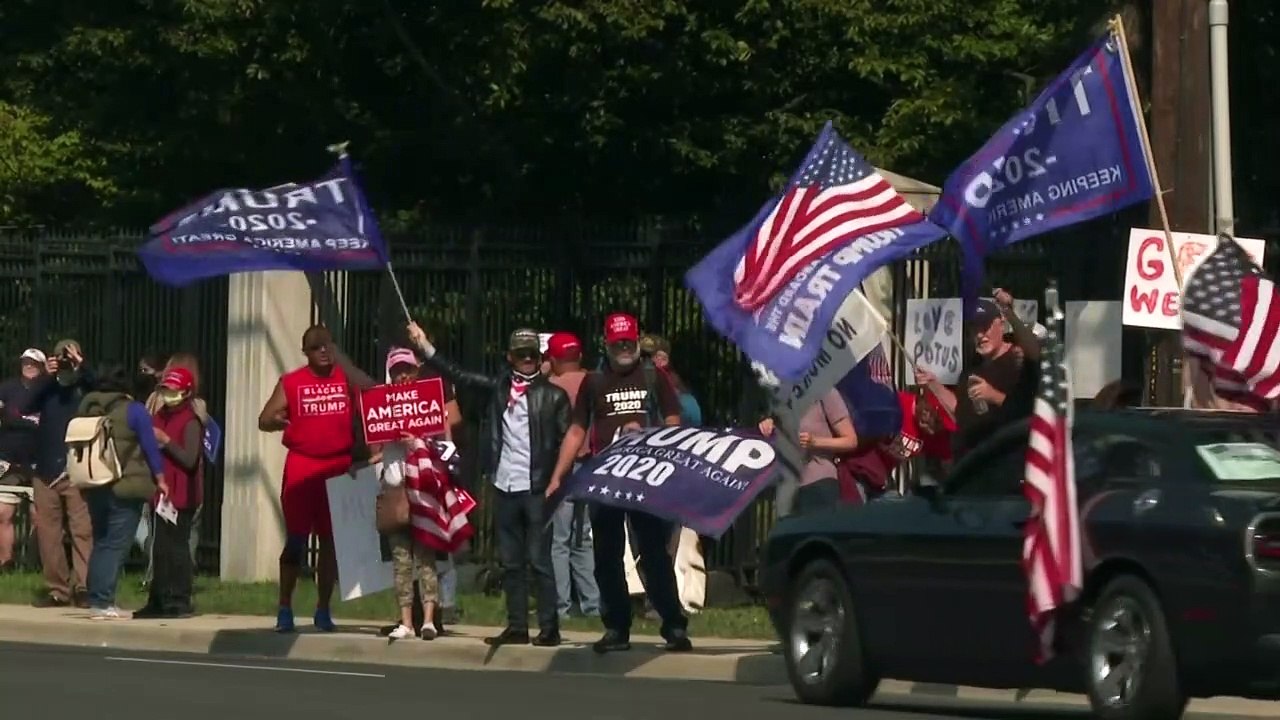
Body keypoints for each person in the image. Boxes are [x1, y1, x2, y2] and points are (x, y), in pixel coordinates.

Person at [407, 322, 571, 647]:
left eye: (532, 355)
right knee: (510, 561)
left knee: (539, 560)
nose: (527, 360)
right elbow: (459, 375)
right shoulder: (499, 388)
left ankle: (549, 627)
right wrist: (425, 347)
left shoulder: (554, 396)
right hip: (505, 484)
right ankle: (518, 625)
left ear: (540, 358)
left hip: (538, 488)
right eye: (521, 355)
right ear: (510, 357)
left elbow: (570, 440)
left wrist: (558, 480)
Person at [546, 312, 692, 654]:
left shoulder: (654, 376)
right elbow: (577, 430)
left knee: (653, 551)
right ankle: (616, 627)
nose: (624, 348)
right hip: (606, 479)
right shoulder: (594, 381)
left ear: (637, 341)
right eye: (618, 343)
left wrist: (657, 440)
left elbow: (674, 418)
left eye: (629, 342)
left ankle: (672, 623)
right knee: (606, 555)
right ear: (607, 343)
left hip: (645, 478)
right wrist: (558, 476)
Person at [257, 324, 359, 633]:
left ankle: (323, 608)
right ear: (306, 353)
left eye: (328, 344)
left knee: (331, 542)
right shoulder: (292, 382)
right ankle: (285, 606)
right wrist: (276, 421)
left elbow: (373, 402)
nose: (324, 350)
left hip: (339, 465)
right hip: (303, 466)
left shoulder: (347, 378)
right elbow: (264, 419)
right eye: (316, 347)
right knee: (297, 541)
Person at [79, 364, 168, 620]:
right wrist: (160, 478)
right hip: (127, 484)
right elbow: (150, 447)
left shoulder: (87, 407)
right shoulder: (135, 410)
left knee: (101, 541)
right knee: (116, 545)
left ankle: (96, 597)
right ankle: (103, 601)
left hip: (94, 482)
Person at [914, 289, 1040, 458]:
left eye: (985, 327)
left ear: (1001, 326)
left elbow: (1023, 412)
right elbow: (959, 408)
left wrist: (992, 395)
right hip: (971, 463)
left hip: (1004, 460)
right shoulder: (972, 369)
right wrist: (934, 384)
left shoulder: (1017, 360)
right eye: (975, 329)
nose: (980, 335)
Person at [21, 339, 95, 608]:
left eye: (68, 357)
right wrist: (47, 377)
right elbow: (25, 405)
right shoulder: (48, 388)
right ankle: (57, 589)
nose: (64, 362)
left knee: (82, 531)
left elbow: (103, 387)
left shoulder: (85, 387)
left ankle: (85, 586)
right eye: (59, 357)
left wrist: (82, 367)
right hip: (45, 470)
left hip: (76, 468)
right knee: (48, 533)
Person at [378, 347, 443, 640]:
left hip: (423, 488)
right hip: (395, 489)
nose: (402, 375)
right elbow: (373, 439)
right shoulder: (381, 402)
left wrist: (415, 441)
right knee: (401, 559)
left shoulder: (429, 402)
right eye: (396, 371)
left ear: (416, 371)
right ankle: (406, 621)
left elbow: (442, 446)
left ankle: (428, 618)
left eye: (407, 369)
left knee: (425, 556)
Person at [135, 367, 204, 619]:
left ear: (186, 392)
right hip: (160, 492)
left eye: (173, 391)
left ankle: (179, 599)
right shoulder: (159, 416)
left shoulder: (190, 421)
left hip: (182, 493)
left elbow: (189, 459)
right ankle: (158, 599)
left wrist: (165, 441)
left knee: (177, 548)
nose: (168, 395)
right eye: (165, 390)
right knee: (159, 548)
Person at [543, 332, 601, 620]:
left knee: (560, 540)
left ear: (552, 359)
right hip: (593, 464)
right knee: (584, 537)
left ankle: (562, 606)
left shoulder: (551, 386)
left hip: (562, 466)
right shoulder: (595, 381)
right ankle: (592, 604)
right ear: (579, 356)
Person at [757, 389, 858, 515]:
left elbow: (851, 440)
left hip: (819, 483)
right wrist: (768, 426)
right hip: (787, 486)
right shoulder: (781, 398)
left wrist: (815, 442)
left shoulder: (826, 392)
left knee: (816, 533)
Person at [0, 349, 47, 569]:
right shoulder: (7, 388)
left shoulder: (50, 390)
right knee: (3, 513)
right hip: (8, 459)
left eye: (34, 363)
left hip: (39, 461)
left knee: (40, 516)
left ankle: (33, 563)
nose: (29, 366)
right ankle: (5, 562)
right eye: (26, 362)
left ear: (43, 367)